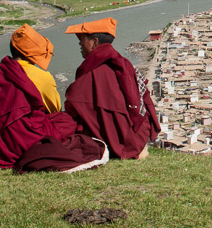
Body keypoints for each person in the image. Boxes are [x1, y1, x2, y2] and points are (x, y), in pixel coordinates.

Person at [0, 24, 107, 172]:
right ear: (33, 53)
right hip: (24, 138)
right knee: (65, 120)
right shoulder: (41, 77)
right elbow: (55, 109)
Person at [64, 18, 160, 159]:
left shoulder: (95, 71)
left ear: (94, 42)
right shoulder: (125, 63)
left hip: (117, 139)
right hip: (135, 134)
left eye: (82, 39)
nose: (79, 43)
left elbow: (73, 102)